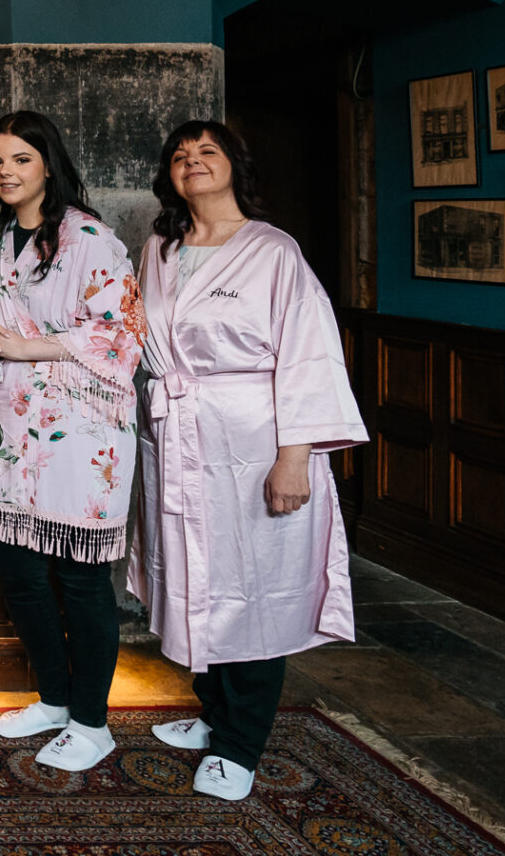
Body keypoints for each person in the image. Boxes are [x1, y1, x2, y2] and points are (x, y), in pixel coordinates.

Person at [130, 119, 365, 800]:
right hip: (177, 437)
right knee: (193, 577)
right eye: (180, 155)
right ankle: (215, 715)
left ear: (236, 165)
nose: (192, 161)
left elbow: (309, 355)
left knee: (255, 590)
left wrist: (295, 458)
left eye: (207, 152)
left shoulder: (273, 252)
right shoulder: (160, 249)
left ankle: (241, 745)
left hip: (254, 441)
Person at [0, 111, 143, 772]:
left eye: (21, 158)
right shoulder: (4, 235)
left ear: (48, 164)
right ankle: (54, 697)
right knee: (19, 570)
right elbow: (8, 314)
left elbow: (122, 333)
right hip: (17, 426)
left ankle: (93, 722)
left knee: (79, 576)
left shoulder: (89, 238)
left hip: (81, 430)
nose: (7, 172)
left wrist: (25, 345)